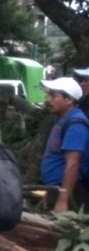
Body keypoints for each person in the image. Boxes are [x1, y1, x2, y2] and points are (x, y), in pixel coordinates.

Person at [39, 77, 89, 213]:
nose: (48, 99)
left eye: (54, 96)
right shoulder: (63, 120)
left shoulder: (76, 124)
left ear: (69, 100)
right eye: (48, 94)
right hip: (56, 189)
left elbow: (73, 163)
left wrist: (62, 200)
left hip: (72, 194)